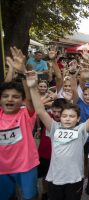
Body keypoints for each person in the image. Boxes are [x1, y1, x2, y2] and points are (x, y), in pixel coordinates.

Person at [27, 70, 89, 200]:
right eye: (65, 116)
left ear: (78, 119)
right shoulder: (54, 127)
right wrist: (32, 87)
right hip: (54, 178)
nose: (68, 118)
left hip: (74, 179)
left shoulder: (81, 129)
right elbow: (40, 111)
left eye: (72, 116)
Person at [0, 47, 38, 200]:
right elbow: (3, 90)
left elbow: (29, 98)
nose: (10, 99)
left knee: (30, 197)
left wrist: (22, 71)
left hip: (26, 166)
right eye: (6, 97)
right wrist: (10, 70)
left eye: (15, 97)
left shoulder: (25, 114)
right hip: (2, 168)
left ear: (21, 101)